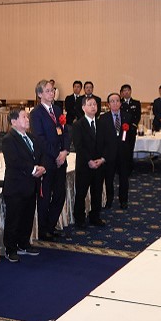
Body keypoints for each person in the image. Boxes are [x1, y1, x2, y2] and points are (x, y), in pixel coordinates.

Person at [1, 108, 46, 263]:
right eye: (24, 117)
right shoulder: (9, 139)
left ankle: (24, 244)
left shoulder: (31, 137)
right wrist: (33, 169)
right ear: (14, 121)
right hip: (16, 186)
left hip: (30, 185)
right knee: (14, 219)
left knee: (27, 217)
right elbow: (14, 161)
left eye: (27, 117)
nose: (27, 119)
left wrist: (42, 167)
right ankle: (10, 248)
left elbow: (40, 154)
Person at [30, 79, 70, 241]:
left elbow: (65, 132)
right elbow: (40, 139)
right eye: (47, 91)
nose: (51, 93)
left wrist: (65, 151)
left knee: (60, 195)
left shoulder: (58, 109)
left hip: (61, 159)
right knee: (45, 197)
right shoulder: (36, 113)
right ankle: (43, 230)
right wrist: (56, 155)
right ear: (40, 94)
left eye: (52, 90)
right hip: (46, 160)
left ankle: (51, 226)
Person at [72, 95, 106, 227]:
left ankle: (95, 216)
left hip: (99, 164)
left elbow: (107, 144)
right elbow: (78, 146)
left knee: (97, 192)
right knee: (81, 193)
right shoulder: (78, 125)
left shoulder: (101, 124)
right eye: (90, 104)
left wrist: (101, 159)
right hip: (84, 165)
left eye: (95, 104)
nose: (93, 107)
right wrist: (89, 161)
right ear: (83, 107)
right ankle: (79, 218)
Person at [99, 93, 136, 209]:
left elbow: (131, 137)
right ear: (108, 104)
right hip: (109, 154)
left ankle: (123, 200)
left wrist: (129, 151)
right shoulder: (103, 118)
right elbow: (101, 138)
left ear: (120, 103)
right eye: (112, 101)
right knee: (108, 178)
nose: (115, 103)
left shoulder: (127, 117)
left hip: (123, 153)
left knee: (124, 178)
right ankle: (109, 200)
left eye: (117, 101)